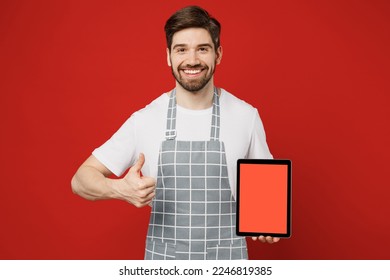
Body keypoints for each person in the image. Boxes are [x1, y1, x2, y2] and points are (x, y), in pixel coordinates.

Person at [71, 5, 279, 260]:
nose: (192, 60)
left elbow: (268, 199)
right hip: (164, 263)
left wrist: (268, 221)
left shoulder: (246, 116)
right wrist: (119, 189)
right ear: (169, 56)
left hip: (228, 262)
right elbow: (80, 180)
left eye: (202, 49)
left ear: (218, 54)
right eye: (181, 49)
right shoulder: (145, 120)